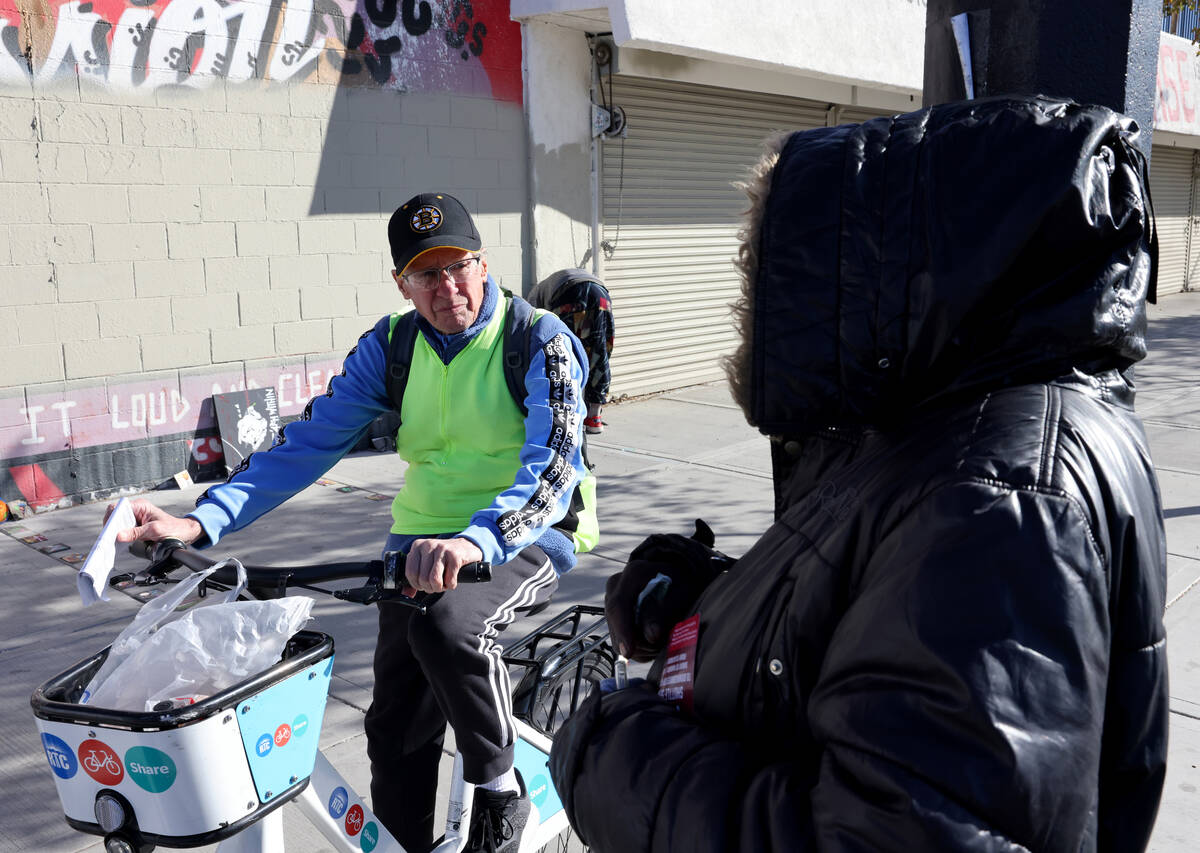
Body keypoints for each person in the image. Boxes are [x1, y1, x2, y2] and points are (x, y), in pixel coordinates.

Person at [548, 95, 1169, 852]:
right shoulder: (946, 425)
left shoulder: (1001, 497)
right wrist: (710, 598)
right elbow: (872, 604)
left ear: (875, 279)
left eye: (771, 269)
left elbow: (896, 834)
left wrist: (613, 760)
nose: (755, 300)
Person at [113, 192, 593, 853]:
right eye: (427, 273)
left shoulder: (539, 341)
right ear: (402, 282)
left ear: (484, 263)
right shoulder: (392, 345)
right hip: (419, 534)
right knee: (394, 724)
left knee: (451, 625)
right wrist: (199, 524)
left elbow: (551, 472)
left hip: (526, 531)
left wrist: (473, 541)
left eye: (459, 265)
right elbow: (306, 443)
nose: (447, 286)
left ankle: (499, 782)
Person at [528, 268, 614, 434]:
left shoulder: (532, 301)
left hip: (568, 295)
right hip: (601, 295)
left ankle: (568, 414)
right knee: (599, 351)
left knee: (563, 355)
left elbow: (536, 331)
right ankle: (594, 417)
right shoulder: (545, 287)